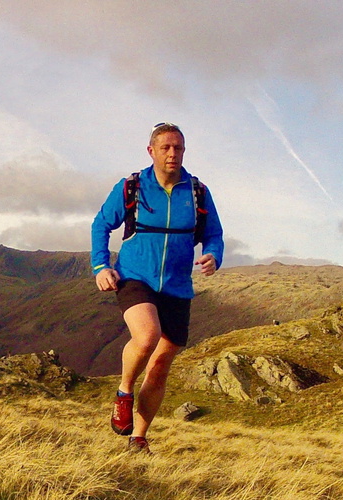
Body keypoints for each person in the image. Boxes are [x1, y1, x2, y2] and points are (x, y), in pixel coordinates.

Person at [90, 122, 223, 454]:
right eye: (165, 147)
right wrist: (100, 265)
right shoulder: (132, 187)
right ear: (151, 151)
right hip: (136, 277)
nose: (172, 153)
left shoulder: (197, 193)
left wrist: (212, 256)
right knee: (147, 336)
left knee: (161, 365)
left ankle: (139, 437)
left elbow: (215, 235)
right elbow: (101, 223)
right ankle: (123, 392)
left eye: (178, 147)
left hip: (177, 286)